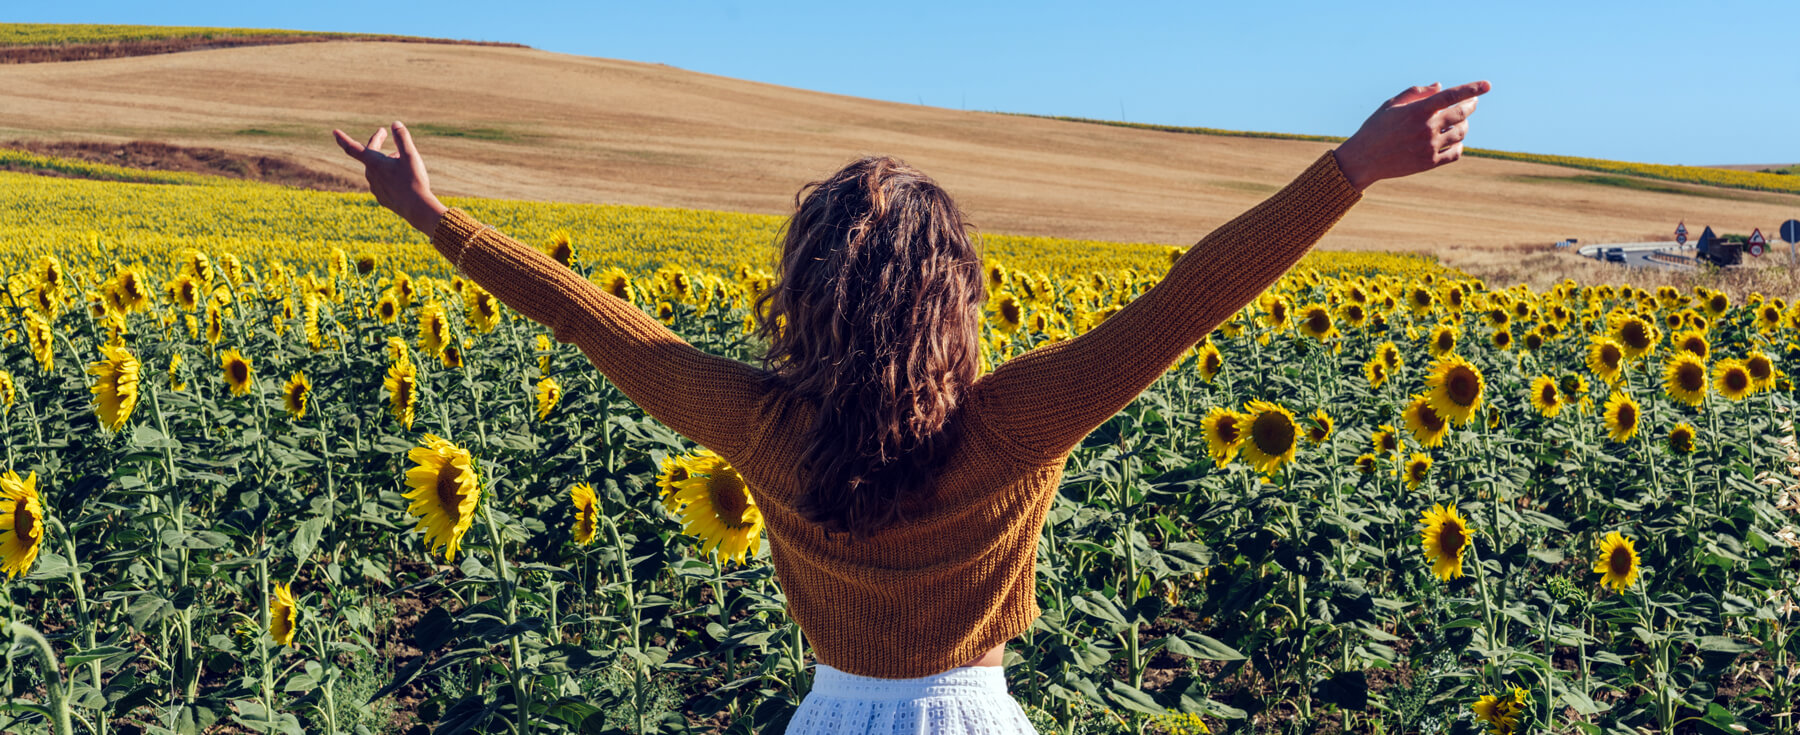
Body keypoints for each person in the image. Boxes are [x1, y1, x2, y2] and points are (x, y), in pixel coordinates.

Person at [333, 78, 1489, 734]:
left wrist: (435, 220)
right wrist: (1349, 170)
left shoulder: (760, 427)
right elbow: (1189, 300)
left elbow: (589, 320)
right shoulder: (1020, 421)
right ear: (955, 300)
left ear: (803, 297)